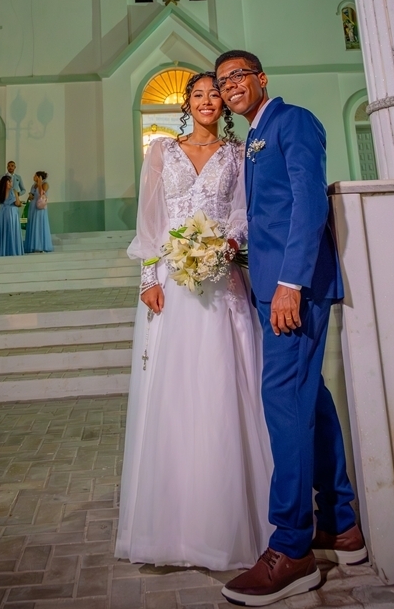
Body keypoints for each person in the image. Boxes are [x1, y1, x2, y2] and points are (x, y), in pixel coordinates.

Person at [216, 51, 366, 607]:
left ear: (261, 79)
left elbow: (308, 203)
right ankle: (342, 525)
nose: (231, 85)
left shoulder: (292, 120)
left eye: (239, 76)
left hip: (292, 293)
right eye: (223, 79)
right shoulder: (257, 134)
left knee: (282, 401)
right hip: (271, 289)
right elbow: (268, 214)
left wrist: (291, 283)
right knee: (312, 399)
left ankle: (293, 549)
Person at [116, 73, 272, 570]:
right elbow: (150, 221)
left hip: (223, 282)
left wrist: (228, 245)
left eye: (214, 95)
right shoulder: (162, 151)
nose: (207, 101)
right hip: (174, 283)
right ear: (187, 103)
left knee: (225, 387)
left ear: (224, 102)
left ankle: (231, 521)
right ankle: (174, 526)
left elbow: (244, 213)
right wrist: (148, 278)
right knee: (178, 393)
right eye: (198, 95)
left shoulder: (235, 153)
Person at [0, 174, 24, 256]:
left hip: (2, 213)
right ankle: (12, 251)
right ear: (6, 182)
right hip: (11, 213)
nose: (11, 183)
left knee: (4, 232)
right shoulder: (12, 191)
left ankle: (3, 251)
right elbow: (17, 203)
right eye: (10, 181)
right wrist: (16, 194)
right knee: (11, 232)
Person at [24, 171, 53, 253]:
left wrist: (40, 184)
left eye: (35, 175)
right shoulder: (33, 186)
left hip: (40, 208)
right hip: (33, 207)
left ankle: (40, 246)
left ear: (39, 177)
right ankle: (32, 246)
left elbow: (41, 193)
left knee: (39, 225)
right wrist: (30, 196)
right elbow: (32, 196)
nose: (33, 176)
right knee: (33, 225)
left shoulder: (45, 184)